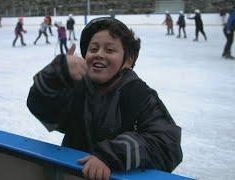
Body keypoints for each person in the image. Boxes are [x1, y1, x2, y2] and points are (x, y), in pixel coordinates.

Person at [27, 17, 183, 180]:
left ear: (128, 60)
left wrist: (113, 155)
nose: (99, 54)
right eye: (93, 49)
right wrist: (56, 75)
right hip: (72, 173)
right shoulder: (79, 88)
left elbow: (168, 144)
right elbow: (43, 110)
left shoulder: (137, 94)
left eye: (109, 50)